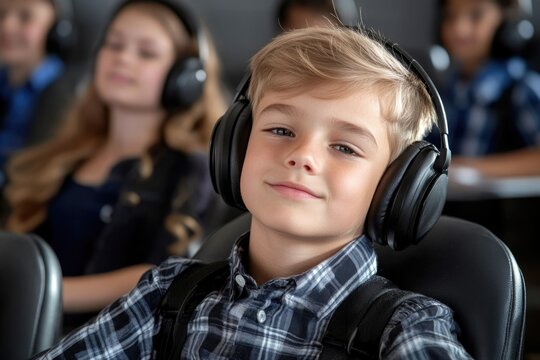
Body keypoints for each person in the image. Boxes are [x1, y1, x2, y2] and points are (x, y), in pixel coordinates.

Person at [33, 26, 472, 358]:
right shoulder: (168, 295)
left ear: (399, 188)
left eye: (344, 146)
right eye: (280, 129)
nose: (303, 156)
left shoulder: (404, 329)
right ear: (235, 147)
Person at [2, 0, 236, 327]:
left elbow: (161, 272)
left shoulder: (191, 168)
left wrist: (40, 292)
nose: (122, 58)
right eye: (113, 45)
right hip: (21, 321)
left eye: (146, 53)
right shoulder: (63, 153)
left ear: (185, 78)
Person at [435, 0, 540, 177]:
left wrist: (470, 169)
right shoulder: (447, 90)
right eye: (450, 17)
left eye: (476, 16)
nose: (459, 29)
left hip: (494, 204)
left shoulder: (522, 89)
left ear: (508, 25)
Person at [0, 0, 79, 179]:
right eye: (1, 15)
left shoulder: (67, 95)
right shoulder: (4, 81)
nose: (6, 26)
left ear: (56, 32)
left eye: (25, 17)